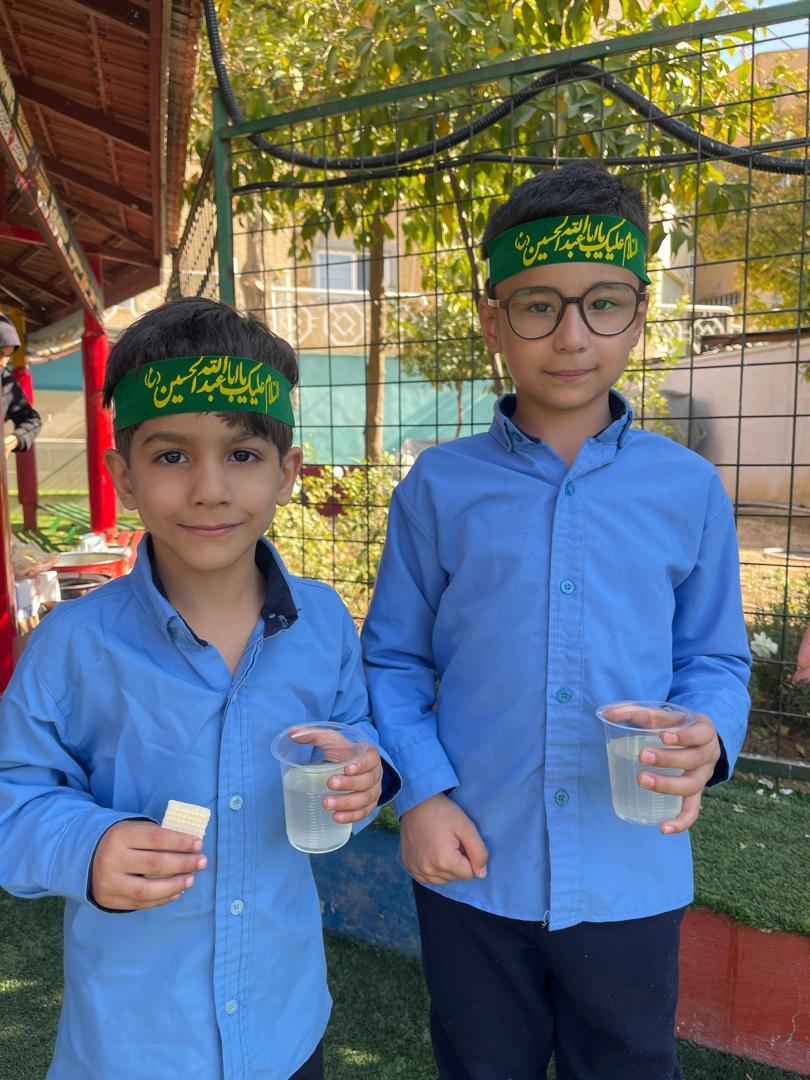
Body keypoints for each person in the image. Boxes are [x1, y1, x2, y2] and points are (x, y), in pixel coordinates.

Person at [362, 163, 751, 1080]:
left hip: (630, 870)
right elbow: (392, 660)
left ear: (639, 316)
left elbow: (716, 657)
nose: (572, 336)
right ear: (493, 321)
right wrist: (422, 795)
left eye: (603, 304)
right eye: (538, 306)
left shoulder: (689, 489)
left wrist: (710, 731)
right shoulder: (439, 487)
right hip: (472, 862)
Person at [0, 296, 398, 1080]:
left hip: (286, 1025)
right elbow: (13, 796)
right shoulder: (71, 646)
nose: (210, 489)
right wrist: (87, 846)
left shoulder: (322, 621)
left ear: (287, 472)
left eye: (242, 454)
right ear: (124, 474)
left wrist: (365, 771)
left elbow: (356, 729)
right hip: (133, 1044)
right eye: (172, 456)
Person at [0, 312, 42, 457]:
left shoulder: (5, 381)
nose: (3, 363)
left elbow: (32, 421)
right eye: (0, 353)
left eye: (8, 355)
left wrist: (12, 441)